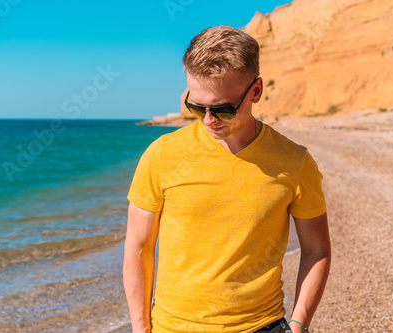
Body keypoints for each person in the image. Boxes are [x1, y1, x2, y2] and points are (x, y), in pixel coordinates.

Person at [123, 25, 331, 333]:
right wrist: (140, 329)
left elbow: (317, 249)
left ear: (256, 91)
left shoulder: (294, 163)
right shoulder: (162, 155)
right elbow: (139, 248)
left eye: (222, 109)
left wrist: (299, 323)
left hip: (262, 326)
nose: (208, 119)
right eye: (195, 106)